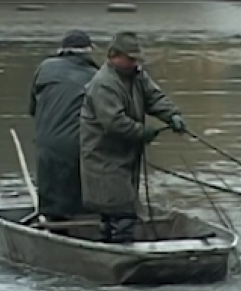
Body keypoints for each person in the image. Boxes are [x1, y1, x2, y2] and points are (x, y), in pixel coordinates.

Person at [79, 31, 186, 243]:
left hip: (125, 157)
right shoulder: (104, 84)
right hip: (103, 158)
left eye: (136, 58)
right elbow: (114, 122)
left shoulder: (137, 76)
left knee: (117, 212)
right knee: (121, 213)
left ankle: (110, 248)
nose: (134, 62)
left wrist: (172, 115)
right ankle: (119, 255)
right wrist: (142, 133)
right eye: (129, 58)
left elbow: (154, 98)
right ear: (113, 56)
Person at [28, 29, 100, 223]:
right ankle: (87, 231)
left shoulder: (45, 67)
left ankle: (55, 225)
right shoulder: (98, 76)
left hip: (46, 143)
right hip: (82, 144)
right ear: (88, 51)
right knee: (83, 199)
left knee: (53, 200)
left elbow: (32, 109)